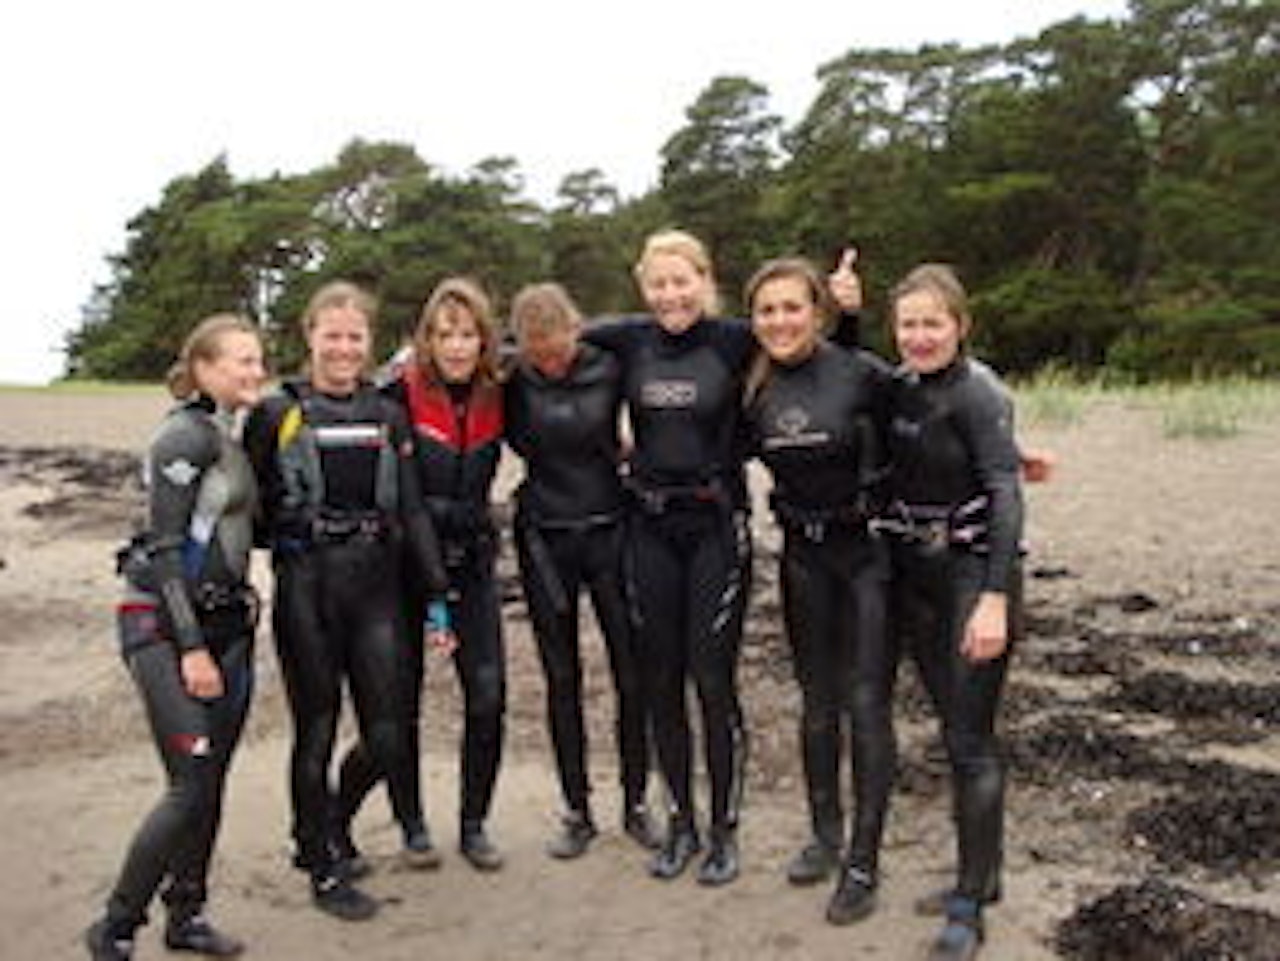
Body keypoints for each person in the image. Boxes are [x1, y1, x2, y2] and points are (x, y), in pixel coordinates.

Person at [245, 281, 453, 921]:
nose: (342, 347)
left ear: (369, 342)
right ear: (309, 336)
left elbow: (412, 506)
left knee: (390, 734)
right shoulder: (277, 409)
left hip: (379, 584)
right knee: (316, 728)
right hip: (308, 586)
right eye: (330, 335)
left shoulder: (387, 413)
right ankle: (320, 866)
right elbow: (246, 507)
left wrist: (438, 595)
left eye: (354, 336)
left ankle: (332, 820)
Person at [85, 314, 266, 961]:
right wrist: (189, 646)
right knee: (189, 780)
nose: (254, 369)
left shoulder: (227, 430)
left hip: (226, 626)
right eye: (240, 360)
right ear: (203, 368)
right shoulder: (183, 436)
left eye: (257, 358)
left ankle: (185, 914)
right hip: (163, 626)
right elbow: (163, 547)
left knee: (209, 780)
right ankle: (115, 925)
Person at [582, 229, 754, 885]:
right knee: (661, 679)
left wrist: (847, 313)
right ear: (642, 285)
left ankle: (724, 830)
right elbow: (545, 343)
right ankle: (680, 820)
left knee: (711, 679)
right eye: (658, 283)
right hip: (648, 526)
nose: (671, 295)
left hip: (715, 525)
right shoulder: (629, 338)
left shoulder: (733, 340)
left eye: (682, 281)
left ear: (705, 280)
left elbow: (826, 362)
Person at [871, 264, 1025, 961]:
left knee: (969, 741)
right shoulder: (899, 386)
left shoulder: (980, 390)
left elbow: (1004, 491)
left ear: (960, 325)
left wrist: (993, 596)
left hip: (971, 577)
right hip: (916, 575)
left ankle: (970, 899)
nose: (921, 335)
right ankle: (981, 876)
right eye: (909, 323)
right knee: (950, 728)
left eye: (934, 322)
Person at [741, 257, 897, 925]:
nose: (779, 320)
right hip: (802, 554)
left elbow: (928, 412)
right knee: (815, 706)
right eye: (767, 310)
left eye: (791, 307)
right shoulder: (756, 389)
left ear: (818, 309)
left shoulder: (861, 371)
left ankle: (864, 858)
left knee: (866, 705)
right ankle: (825, 833)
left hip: (867, 555)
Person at [336, 277, 509, 872]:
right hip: (401, 574)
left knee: (487, 698)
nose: (456, 347)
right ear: (425, 341)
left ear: (484, 339)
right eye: (444, 335)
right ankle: (409, 825)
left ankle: (474, 824)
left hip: (472, 564)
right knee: (396, 712)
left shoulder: (499, 392)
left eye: (467, 334)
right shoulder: (395, 397)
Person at [504, 282, 659, 859]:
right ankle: (577, 810)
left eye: (560, 347)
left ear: (577, 329)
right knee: (561, 678)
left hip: (610, 527)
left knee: (632, 671)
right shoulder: (512, 378)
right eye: (538, 354)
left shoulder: (609, 363)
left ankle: (637, 802)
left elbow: (658, 328)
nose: (551, 361)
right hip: (545, 534)